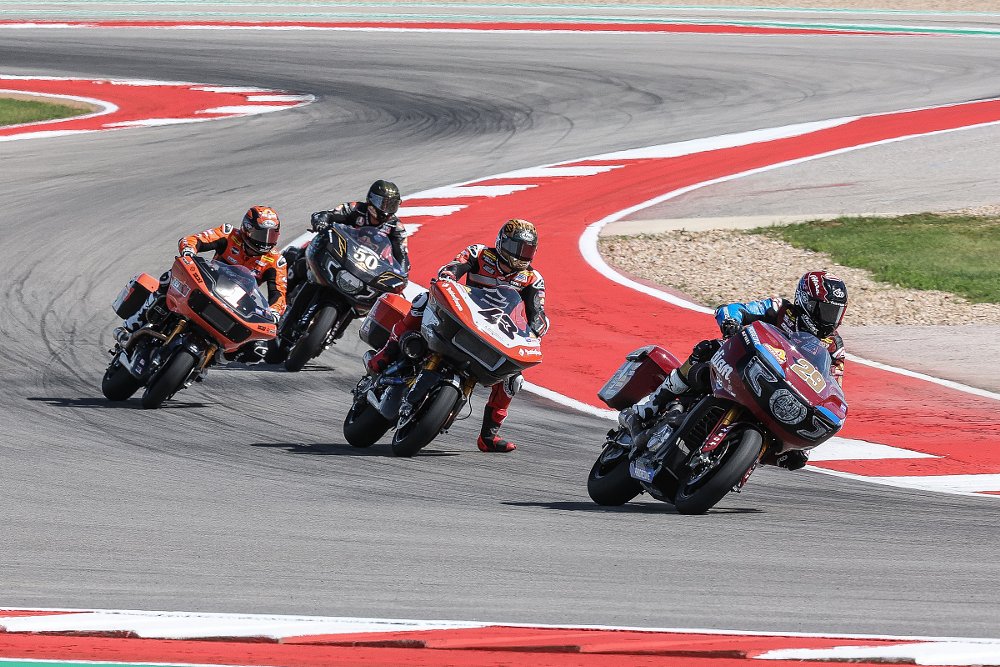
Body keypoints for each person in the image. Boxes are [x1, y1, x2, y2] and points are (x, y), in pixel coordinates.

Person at [620, 270, 848, 470]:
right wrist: (731, 321)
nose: (829, 319)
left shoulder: (835, 347)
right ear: (805, 301)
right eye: (825, 310)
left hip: (779, 388)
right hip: (743, 363)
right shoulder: (781, 309)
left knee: (791, 457)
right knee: (705, 351)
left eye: (835, 313)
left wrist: (807, 443)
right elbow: (735, 309)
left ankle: (736, 460)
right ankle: (650, 408)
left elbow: (831, 385)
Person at [366, 218, 550, 453]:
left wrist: (539, 325)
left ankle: (488, 436)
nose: (522, 255)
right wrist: (448, 275)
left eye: (528, 250)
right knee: (422, 300)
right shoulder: (480, 253)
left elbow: (537, 310)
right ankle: (387, 352)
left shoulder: (533, 279)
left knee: (514, 378)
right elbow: (455, 267)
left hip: (494, 329)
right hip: (462, 314)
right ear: (502, 243)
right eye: (518, 249)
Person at [117, 206, 288, 362]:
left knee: (255, 349)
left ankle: (208, 360)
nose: (265, 241)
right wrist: (189, 250)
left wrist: (274, 312)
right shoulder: (229, 234)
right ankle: (131, 325)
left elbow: (279, 293)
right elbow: (194, 239)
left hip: (238, 303)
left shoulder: (276, 261)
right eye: (261, 234)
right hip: (209, 285)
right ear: (247, 229)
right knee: (168, 278)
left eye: (271, 235)